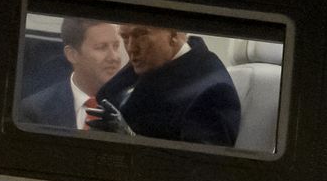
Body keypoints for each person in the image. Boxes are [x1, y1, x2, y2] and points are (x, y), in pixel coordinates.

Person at [88, 24, 240, 146]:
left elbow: (200, 169)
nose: (130, 48)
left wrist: (130, 138)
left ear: (173, 34)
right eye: (125, 37)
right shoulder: (155, 62)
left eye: (141, 34)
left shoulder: (213, 92)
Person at [19, 17, 123, 129]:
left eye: (116, 46)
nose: (114, 57)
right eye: (101, 47)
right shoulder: (35, 109)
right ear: (72, 55)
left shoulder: (134, 106)